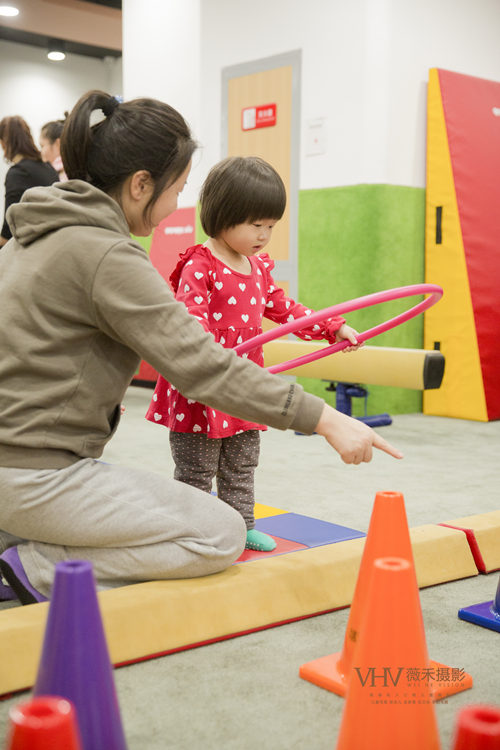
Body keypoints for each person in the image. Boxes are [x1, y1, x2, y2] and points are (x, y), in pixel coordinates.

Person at [0, 90, 402, 606]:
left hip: (21, 470)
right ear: (140, 185)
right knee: (219, 533)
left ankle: (17, 532)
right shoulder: (107, 255)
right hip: (35, 476)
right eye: (177, 190)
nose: (172, 209)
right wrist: (322, 416)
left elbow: (269, 314)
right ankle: (38, 565)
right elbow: (202, 364)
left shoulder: (26, 240)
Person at [146, 156, 363, 552]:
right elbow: (189, 317)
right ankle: (193, 528)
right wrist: (209, 348)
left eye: (271, 226)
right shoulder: (200, 264)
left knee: (242, 463)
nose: (264, 235)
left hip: (245, 386)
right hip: (205, 386)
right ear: (221, 215)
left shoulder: (259, 266)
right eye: (255, 225)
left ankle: (242, 525)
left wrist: (334, 327)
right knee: (198, 468)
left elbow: (286, 311)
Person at [0, 116, 59, 247]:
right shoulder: (49, 168)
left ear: (4, 143)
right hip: (53, 242)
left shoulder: (17, 173)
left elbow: (9, 231)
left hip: (29, 247)